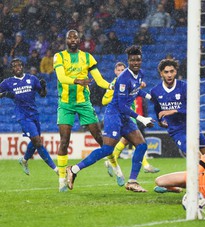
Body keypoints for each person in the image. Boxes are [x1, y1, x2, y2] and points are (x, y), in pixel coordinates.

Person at [66, 45, 155, 193]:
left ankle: (132, 181)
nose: (135, 63)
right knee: (107, 149)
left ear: (141, 61)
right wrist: (141, 118)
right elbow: (121, 105)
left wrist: (150, 97)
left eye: (138, 60)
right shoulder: (123, 78)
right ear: (128, 61)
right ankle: (74, 169)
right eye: (132, 60)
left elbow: (136, 90)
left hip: (125, 115)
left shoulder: (140, 74)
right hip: (114, 114)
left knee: (141, 145)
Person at [54, 30, 114, 192]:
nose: (73, 39)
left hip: (84, 103)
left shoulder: (87, 57)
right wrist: (78, 80)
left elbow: (99, 80)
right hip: (66, 103)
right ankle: (61, 179)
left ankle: (110, 161)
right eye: (70, 37)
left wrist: (111, 86)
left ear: (79, 40)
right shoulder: (59, 57)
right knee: (64, 141)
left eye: (75, 37)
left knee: (100, 138)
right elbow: (61, 78)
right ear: (66, 40)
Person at [0, 58, 58, 175]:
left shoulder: (32, 79)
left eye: (20, 65)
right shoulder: (8, 82)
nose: (18, 67)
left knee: (35, 141)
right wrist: (6, 94)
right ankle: (56, 170)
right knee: (37, 142)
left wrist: (44, 87)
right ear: (11, 69)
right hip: (23, 116)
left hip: (34, 115)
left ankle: (24, 160)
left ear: (23, 67)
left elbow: (42, 95)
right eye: (15, 66)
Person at [102, 61, 160, 177]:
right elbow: (103, 101)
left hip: (130, 112)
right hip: (120, 113)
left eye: (122, 70)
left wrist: (144, 91)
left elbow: (136, 90)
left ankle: (111, 161)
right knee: (133, 140)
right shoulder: (113, 84)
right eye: (118, 70)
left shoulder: (129, 79)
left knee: (130, 140)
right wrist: (116, 96)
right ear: (115, 72)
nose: (120, 72)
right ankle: (145, 165)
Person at [150, 58, 205, 155]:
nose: (169, 75)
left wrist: (174, 110)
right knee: (193, 154)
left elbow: (193, 109)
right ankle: (201, 169)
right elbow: (157, 108)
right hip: (176, 130)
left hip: (191, 126)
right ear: (161, 73)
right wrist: (160, 121)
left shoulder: (184, 87)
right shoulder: (155, 91)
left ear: (175, 72)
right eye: (166, 72)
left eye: (171, 71)